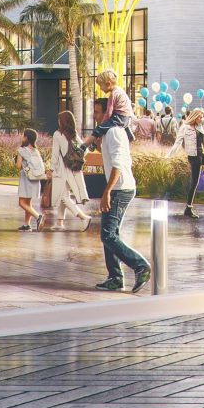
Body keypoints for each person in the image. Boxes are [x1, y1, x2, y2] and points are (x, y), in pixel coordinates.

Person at [93, 89, 149, 293]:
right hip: (119, 187)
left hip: (120, 188)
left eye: (98, 112)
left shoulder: (115, 131)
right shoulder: (109, 132)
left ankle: (140, 266)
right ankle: (115, 277)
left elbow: (117, 165)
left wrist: (107, 192)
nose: (95, 116)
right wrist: (99, 145)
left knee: (107, 235)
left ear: (108, 112)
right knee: (110, 233)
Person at [48, 108, 90, 232]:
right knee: (64, 194)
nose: (58, 122)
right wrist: (75, 157)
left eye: (59, 120)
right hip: (72, 170)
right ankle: (59, 222)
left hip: (61, 170)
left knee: (62, 197)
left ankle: (83, 217)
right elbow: (85, 150)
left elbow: (55, 154)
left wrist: (51, 169)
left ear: (63, 121)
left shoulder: (57, 134)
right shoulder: (74, 134)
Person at [15, 129, 46, 228]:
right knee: (28, 203)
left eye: (23, 136)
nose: (22, 137)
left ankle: (38, 216)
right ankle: (27, 224)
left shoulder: (22, 150)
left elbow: (18, 166)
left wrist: (15, 161)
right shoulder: (36, 151)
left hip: (26, 179)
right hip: (35, 178)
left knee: (21, 203)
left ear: (27, 138)